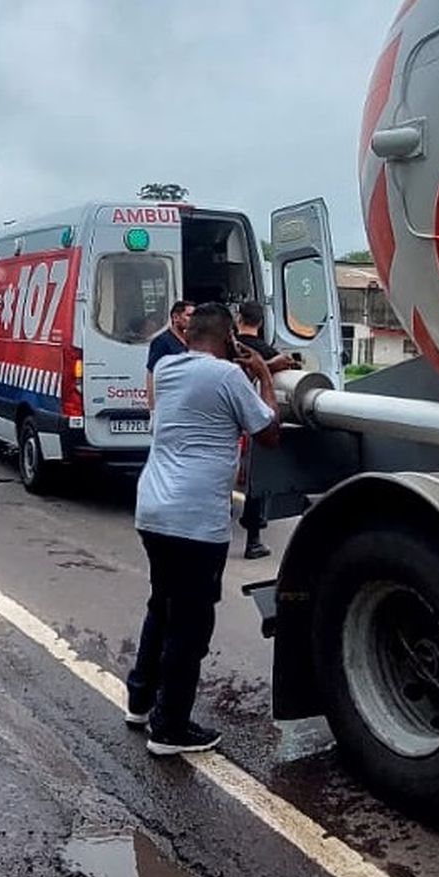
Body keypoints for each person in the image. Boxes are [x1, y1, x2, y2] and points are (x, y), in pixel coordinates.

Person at [127, 303, 279, 755]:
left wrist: (250, 365)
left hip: (153, 510)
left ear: (188, 335)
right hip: (196, 521)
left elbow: (210, 379)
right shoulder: (230, 378)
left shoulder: (171, 366)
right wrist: (266, 378)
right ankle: (169, 729)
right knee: (190, 626)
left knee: (162, 606)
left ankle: (140, 701)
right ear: (232, 338)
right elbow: (268, 432)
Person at [234, 302, 291, 560]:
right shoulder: (267, 353)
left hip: (228, 421)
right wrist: (274, 364)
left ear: (238, 318)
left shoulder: (231, 346)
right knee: (256, 479)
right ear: (261, 322)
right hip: (254, 421)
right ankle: (253, 540)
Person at [145, 300, 193, 409]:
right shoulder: (162, 341)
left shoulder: (192, 340)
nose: (193, 320)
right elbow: (151, 373)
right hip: (169, 398)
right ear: (176, 317)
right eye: (189, 315)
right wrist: (152, 407)